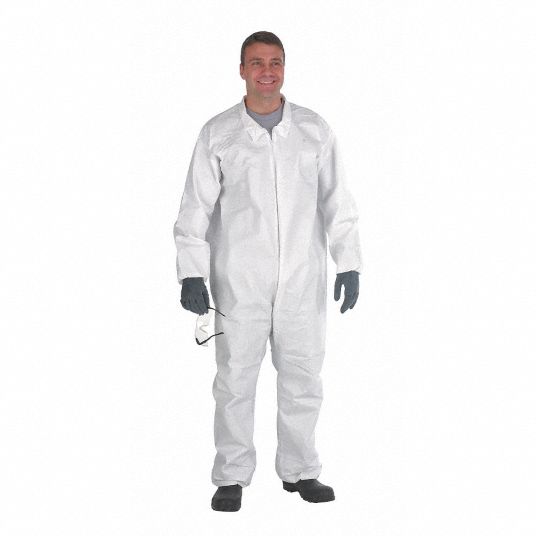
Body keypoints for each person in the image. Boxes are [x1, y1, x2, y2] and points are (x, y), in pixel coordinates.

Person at [173, 31, 363, 512]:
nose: (266, 71)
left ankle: (300, 470)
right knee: (234, 379)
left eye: (275, 62)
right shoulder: (219, 133)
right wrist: (192, 273)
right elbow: (195, 207)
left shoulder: (313, 130)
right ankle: (231, 475)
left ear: (284, 68)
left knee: (303, 377)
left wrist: (349, 262)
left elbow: (337, 201)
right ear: (241, 70)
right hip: (239, 280)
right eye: (256, 63)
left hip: (302, 278)